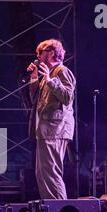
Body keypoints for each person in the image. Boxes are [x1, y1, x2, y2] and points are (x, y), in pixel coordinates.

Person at [27, 39, 76, 199]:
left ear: (51, 52)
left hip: (55, 129)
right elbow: (35, 99)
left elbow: (67, 97)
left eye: (40, 53)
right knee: (42, 174)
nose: (37, 56)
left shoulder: (62, 71)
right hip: (45, 130)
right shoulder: (47, 76)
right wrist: (35, 78)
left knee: (51, 173)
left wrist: (49, 80)